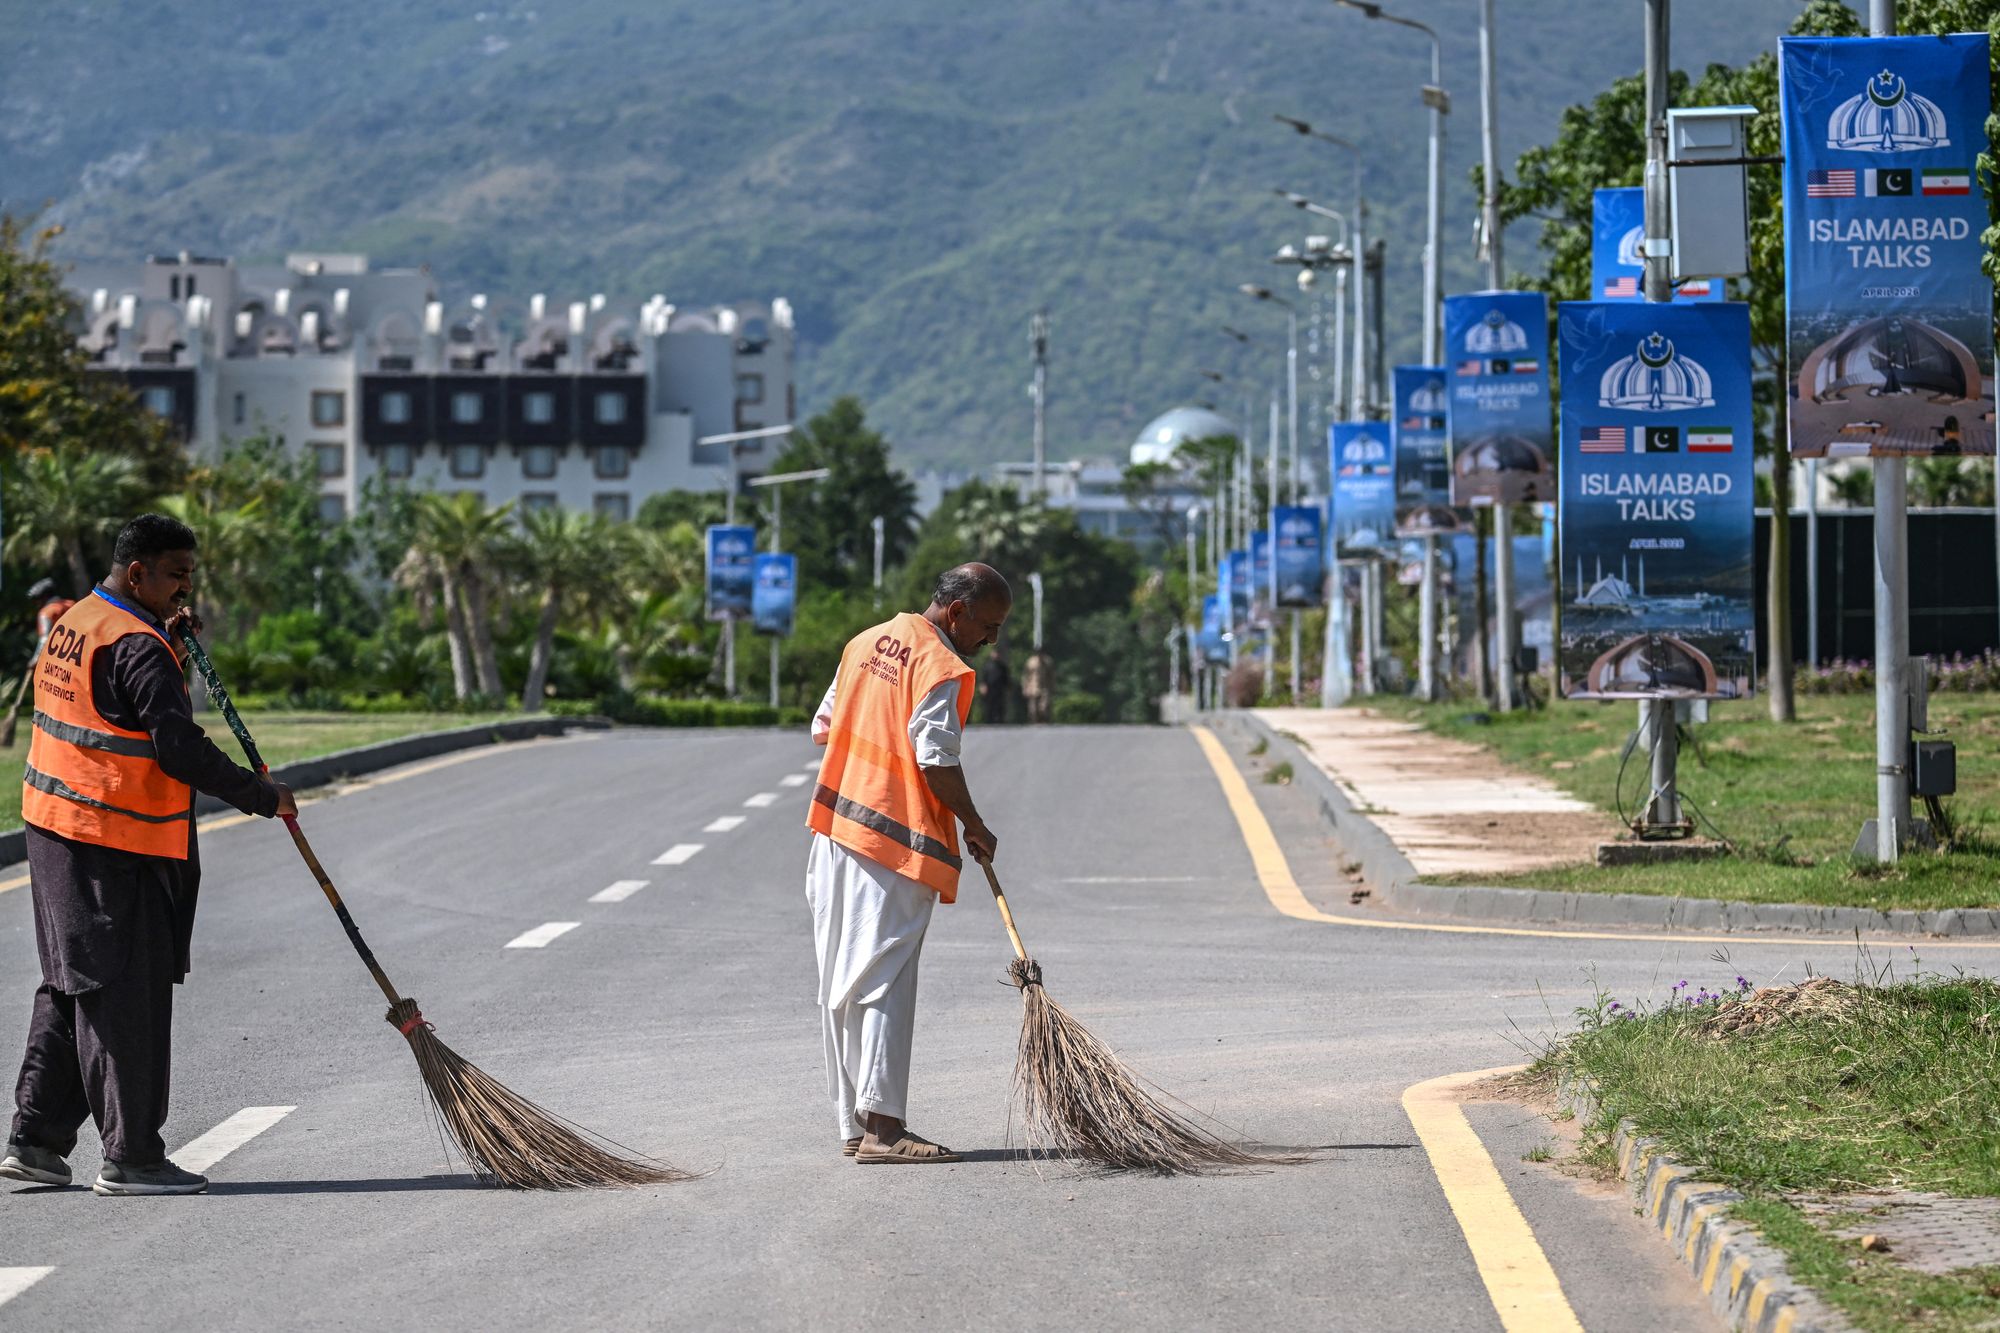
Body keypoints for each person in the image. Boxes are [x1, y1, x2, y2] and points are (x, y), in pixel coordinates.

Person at [2, 514, 297, 1196]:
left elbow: (114, 710)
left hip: (54, 827)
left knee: (73, 981)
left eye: (190, 574)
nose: (185, 589)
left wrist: (172, 643)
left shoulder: (81, 617)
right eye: (176, 575)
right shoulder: (137, 646)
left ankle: (37, 1139)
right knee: (123, 992)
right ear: (138, 573)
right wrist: (262, 793)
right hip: (112, 841)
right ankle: (132, 1157)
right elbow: (177, 746)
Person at [805, 562, 1010, 1164]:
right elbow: (936, 758)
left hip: (835, 830)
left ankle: (854, 1123)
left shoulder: (864, 642)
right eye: (989, 625)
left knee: (840, 983)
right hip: (892, 844)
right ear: (957, 612)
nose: (991, 640)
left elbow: (824, 725)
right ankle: (886, 1130)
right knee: (887, 982)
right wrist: (974, 824)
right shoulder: (940, 665)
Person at [1020, 648, 1053, 725]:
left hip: (1045, 687)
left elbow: (1051, 676)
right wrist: (1025, 688)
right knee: (1033, 710)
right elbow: (1026, 676)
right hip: (1033, 688)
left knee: (1044, 708)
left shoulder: (1048, 662)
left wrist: (1052, 686)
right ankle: (1034, 722)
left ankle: (1044, 722)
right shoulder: (1030, 662)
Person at [979, 647, 1011, 726]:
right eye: (994, 653)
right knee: (989, 705)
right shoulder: (987, 666)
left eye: (997, 654)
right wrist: (983, 686)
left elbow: (1006, 678)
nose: (996, 655)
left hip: (1000, 689)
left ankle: (1000, 720)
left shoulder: (1002, 666)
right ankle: (989, 721)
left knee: (1000, 705)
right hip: (990, 689)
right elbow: (983, 678)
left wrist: (1009, 687)